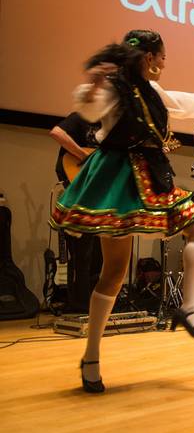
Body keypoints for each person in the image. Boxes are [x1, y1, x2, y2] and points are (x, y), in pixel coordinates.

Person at [49, 29, 194, 393]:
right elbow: (89, 108)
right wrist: (94, 86)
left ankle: (189, 309)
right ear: (149, 57)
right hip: (118, 178)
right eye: (162, 57)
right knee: (113, 272)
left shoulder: (152, 92)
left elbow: (183, 102)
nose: (163, 64)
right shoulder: (115, 88)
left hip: (152, 174)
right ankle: (91, 357)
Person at [50, 113, 103, 312]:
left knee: (100, 254)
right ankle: (80, 306)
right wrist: (84, 156)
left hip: (100, 194)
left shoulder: (112, 125)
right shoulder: (81, 117)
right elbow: (56, 132)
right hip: (78, 193)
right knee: (82, 253)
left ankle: (97, 305)